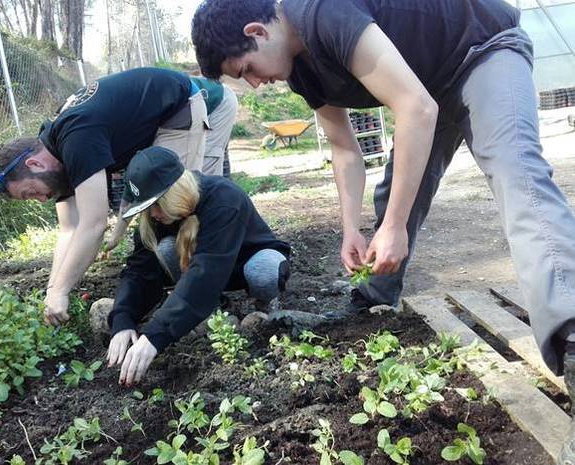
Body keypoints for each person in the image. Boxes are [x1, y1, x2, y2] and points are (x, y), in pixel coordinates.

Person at [191, 1, 575, 460]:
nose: (255, 83)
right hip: (429, 83)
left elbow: (415, 107)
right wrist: (352, 229)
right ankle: (371, 303)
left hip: (483, 50)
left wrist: (395, 227)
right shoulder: (300, 71)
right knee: (395, 189)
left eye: (247, 68)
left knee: (518, 177)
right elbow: (345, 149)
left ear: (256, 31)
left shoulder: (320, 13)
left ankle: (572, 340)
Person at [0, 67, 211, 327]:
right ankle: (172, 281)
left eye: (31, 192)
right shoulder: (56, 155)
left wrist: (61, 292)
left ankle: (200, 295)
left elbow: (93, 225)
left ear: (35, 164)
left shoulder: (76, 140)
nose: (40, 200)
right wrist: (54, 290)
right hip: (152, 119)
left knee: (174, 205)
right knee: (156, 219)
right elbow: (69, 229)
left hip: (178, 107)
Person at [100, 146, 290, 386]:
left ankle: (264, 306)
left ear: (173, 194)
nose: (152, 213)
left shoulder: (224, 199)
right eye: (146, 207)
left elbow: (206, 273)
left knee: (264, 271)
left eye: (155, 205)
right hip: (208, 271)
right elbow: (140, 270)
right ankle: (212, 306)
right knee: (166, 248)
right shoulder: (156, 215)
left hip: (243, 263)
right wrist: (123, 319)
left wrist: (154, 337)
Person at [103, 76, 238, 253]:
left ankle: (211, 240)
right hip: (173, 111)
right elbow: (132, 191)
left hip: (216, 102)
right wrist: (116, 237)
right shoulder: (129, 155)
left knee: (191, 179)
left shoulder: (121, 140)